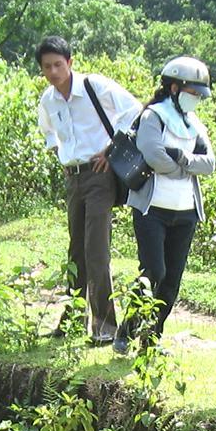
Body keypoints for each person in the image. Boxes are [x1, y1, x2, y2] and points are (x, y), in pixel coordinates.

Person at [35, 36, 142, 344]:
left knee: (96, 250)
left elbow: (134, 110)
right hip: (75, 178)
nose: (54, 71)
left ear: (70, 62)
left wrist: (110, 150)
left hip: (101, 176)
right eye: (47, 67)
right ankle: (72, 323)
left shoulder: (94, 86)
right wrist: (60, 154)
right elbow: (48, 132)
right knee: (76, 251)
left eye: (58, 64)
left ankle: (106, 325)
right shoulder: (48, 100)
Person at [116, 57, 216, 354]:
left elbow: (209, 163)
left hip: (185, 212)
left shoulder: (194, 124)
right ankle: (129, 327)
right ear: (174, 88)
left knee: (172, 280)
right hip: (152, 210)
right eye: (192, 92)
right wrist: (184, 167)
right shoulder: (154, 116)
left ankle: (152, 339)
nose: (196, 99)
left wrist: (182, 160)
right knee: (153, 272)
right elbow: (154, 155)